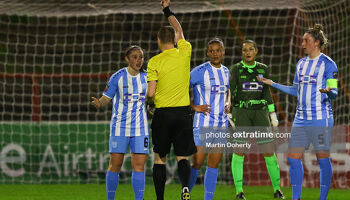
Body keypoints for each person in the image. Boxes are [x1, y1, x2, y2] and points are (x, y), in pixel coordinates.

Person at [258, 24, 338, 200]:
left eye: (306, 40)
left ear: (316, 43)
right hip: (301, 119)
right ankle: (296, 198)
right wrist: (273, 84)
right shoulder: (301, 64)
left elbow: (335, 93)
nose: (302, 43)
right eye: (302, 40)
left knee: (323, 160)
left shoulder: (328, 64)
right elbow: (296, 90)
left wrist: (329, 91)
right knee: (293, 158)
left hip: (320, 118)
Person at [146, 0, 197, 200]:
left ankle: (160, 198)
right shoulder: (185, 51)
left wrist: (150, 104)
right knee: (182, 156)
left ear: (159, 40)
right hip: (184, 113)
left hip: (164, 114)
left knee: (160, 158)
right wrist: (166, 10)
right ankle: (185, 189)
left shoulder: (154, 61)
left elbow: (151, 93)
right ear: (174, 39)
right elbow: (179, 28)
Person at [91, 45, 149, 200]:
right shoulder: (118, 77)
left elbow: (152, 98)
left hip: (140, 128)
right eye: (135, 57)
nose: (138, 60)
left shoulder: (147, 77)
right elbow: (106, 98)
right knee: (115, 165)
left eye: (141, 57)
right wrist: (99, 103)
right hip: (119, 128)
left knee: (139, 166)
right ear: (127, 59)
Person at [230, 40, 285, 199]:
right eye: (244, 50)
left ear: (256, 51)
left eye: (250, 49)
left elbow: (266, 93)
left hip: (261, 113)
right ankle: (239, 192)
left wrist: (272, 114)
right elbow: (231, 92)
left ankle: (277, 190)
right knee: (239, 152)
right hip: (242, 113)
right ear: (242, 53)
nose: (247, 52)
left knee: (269, 152)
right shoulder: (235, 69)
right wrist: (231, 114)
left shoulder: (263, 69)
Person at [188, 38, 231, 200]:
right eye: (211, 51)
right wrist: (194, 106)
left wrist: (228, 102)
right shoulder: (199, 71)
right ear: (207, 53)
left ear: (223, 52)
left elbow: (228, 91)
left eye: (218, 50)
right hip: (203, 123)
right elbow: (182, 87)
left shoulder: (227, 72)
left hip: (221, 124)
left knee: (213, 164)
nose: (215, 53)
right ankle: (185, 195)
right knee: (197, 162)